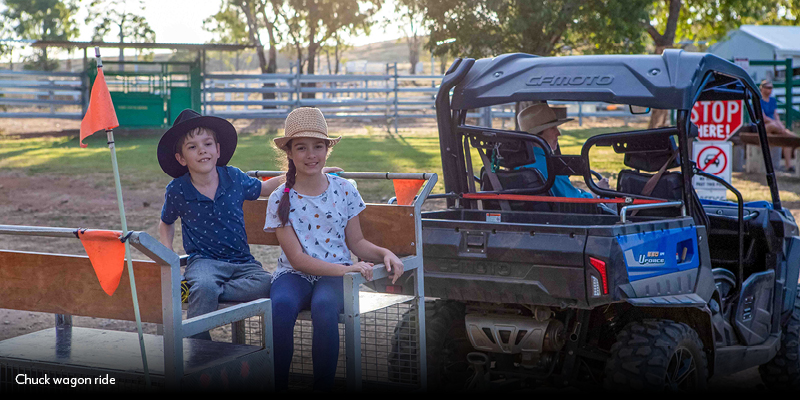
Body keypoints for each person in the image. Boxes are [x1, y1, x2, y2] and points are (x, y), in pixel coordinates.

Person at [264, 107, 405, 392]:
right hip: (295, 274)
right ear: (289, 153)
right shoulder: (281, 197)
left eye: (318, 146)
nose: (311, 155)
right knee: (280, 307)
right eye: (301, 148)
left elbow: (357, 243)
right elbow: (297, 259)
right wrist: (347, 268)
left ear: (328, 149)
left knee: (325, 307)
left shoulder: (344, 189)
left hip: (336, 276)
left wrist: (385, 253)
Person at [157, 109, 317, 341]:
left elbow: (262, 189)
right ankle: (198, 348)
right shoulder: (178, 190)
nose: (202, 150)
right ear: (181, 158)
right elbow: (166, 222)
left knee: (267, 284)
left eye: (208, 144)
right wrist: (168, 251)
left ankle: (204, 292)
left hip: (242, 263)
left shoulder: (233, 177)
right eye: (192, 147)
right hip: (204, 262)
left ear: (218, 149)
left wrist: (297, 173)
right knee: (204, 285)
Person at [515, 103, 609, 197]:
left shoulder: (516, 165)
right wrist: (597, 190)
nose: (558, 133)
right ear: (538, 134)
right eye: (552, 128)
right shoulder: (551, 166)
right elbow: (575, 203)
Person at [760, 79, 799, 172]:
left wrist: (780, 124)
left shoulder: (772, 100)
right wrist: (777, 124)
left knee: (786, 139)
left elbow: (776, 115)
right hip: (763, 126)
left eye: (771, 88)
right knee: (774, 125)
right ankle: (793, 136)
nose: (770, 90)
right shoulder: (759, 100)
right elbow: (763, 118)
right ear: (762, 88)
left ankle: (788, 165)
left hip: (775, 127)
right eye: (768, 87)